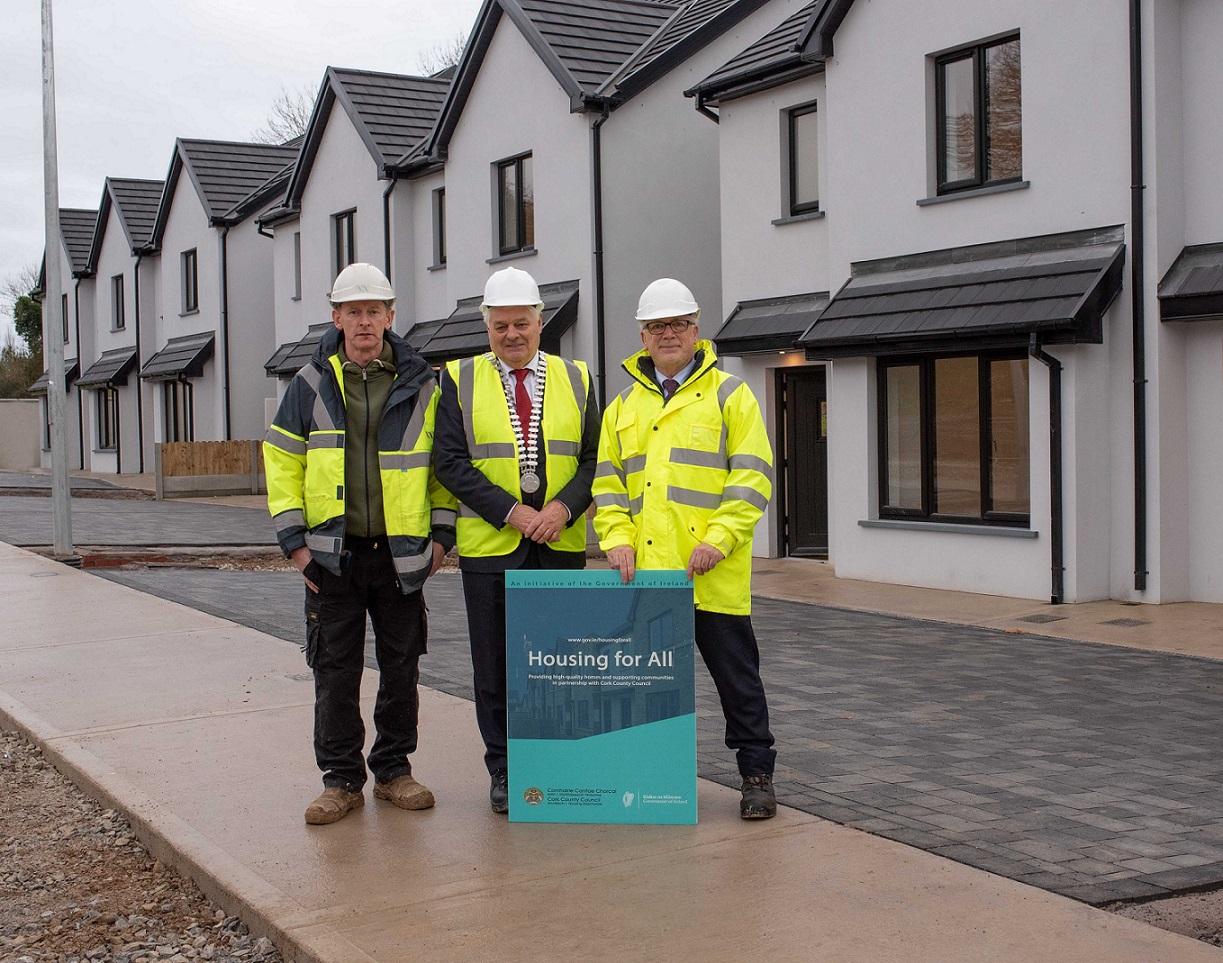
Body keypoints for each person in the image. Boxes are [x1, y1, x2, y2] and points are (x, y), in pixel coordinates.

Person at [264, 262, 457, 825]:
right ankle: (341, 780)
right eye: (354, 311)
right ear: (337, 316)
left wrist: (441, 538)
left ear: (391, 316)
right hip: (333, 557)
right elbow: (281, 461)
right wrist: (296, 545)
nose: (365, 322)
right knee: (335, 670)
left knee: (401, 668)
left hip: (401, 557)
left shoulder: (425, 383)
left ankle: (393, 771)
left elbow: (443, 467)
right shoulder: (309, 383)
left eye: (375, 311)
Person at [593, 278, 778, 819]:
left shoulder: (730, 395)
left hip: (709, 575)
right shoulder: (623, 407)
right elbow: (609, 486)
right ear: (643, 337)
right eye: (657, 327)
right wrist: (617, 540)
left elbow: (753, 477)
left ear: (696, 331)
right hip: (648, 579)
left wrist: (718, 540)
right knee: (648, 688)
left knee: (738, 681)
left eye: (677, 325)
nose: (667, 334)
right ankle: (651, 781)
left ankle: (757, 774)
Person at [433, 266, 599, 813]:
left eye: (521, 324)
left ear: (539, 321)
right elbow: (450, 463)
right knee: (496, 667)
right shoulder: (456, 379)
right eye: (500, 325)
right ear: (486, 326)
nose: (512, 335)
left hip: (559, 545)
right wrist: (514, 514)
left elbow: (596, 459)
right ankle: (503, 767)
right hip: (492, 551)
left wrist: (562, 507)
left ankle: (554, 763)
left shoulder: (578, 378)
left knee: (559, 661)